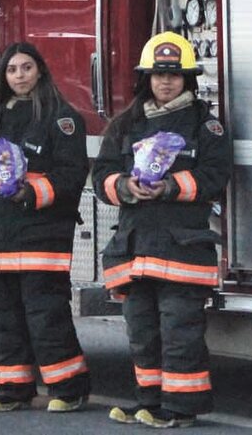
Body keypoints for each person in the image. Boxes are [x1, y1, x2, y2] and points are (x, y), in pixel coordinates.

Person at [92, 32, 231, 427]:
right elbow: (101, 174)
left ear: (188, 79)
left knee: (179, 332)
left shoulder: (205, 126)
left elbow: (216, 176)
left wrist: (171, 186)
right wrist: (124, 187)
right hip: (136, 249)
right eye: (157, 74)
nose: (165, 82)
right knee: (142, 332)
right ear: (146, 78)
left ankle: (181, 407)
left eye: (174, 75)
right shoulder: (128, 124)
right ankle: (149, 402)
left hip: (183, 249)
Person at [0, 42, 92, 413]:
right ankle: (13, 388)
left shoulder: (62, 118)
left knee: (46, 317)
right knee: (1, 317)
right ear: (4, 77)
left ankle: (69, 388)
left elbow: (71, 174)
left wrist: (32, 193)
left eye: (26, 68)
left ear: (40, 71)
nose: (20, 76)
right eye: (12, 70)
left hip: (42, 234)